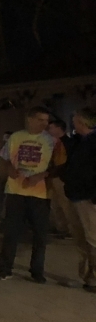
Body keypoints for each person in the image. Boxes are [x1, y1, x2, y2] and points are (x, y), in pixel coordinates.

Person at [0, 106, 66, 283]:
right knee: (11, 232)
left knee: (40, 235)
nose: (45, 123)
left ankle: (37, 271)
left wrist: (43, 175)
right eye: (41, 120)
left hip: (40, 194)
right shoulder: (16, 137)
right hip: (15, 191)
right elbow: (4, 158)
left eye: (46, 120)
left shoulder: (53, 142)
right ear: (30, 119)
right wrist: (10, 168)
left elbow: (61, 165)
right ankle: (5, 269)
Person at [60, 107, 96, 290]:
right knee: (80, 237)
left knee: (93, 238)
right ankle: (85, 276)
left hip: (88, 197)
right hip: (75, 195)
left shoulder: (93, 142)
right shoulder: (78, 141)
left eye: (75, 120)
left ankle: (94, 277)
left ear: (82, 122)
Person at [46, 118, 75, 235]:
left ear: (59, 128)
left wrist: (51, 172)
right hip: (54, 176)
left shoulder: (66, 143)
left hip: (62, 177)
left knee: (65, 204)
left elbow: (64, 163)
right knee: (55, 204)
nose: (49, 130)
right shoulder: (56, 142)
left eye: (51, 127)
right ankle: (61, 227)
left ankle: (69, 229)